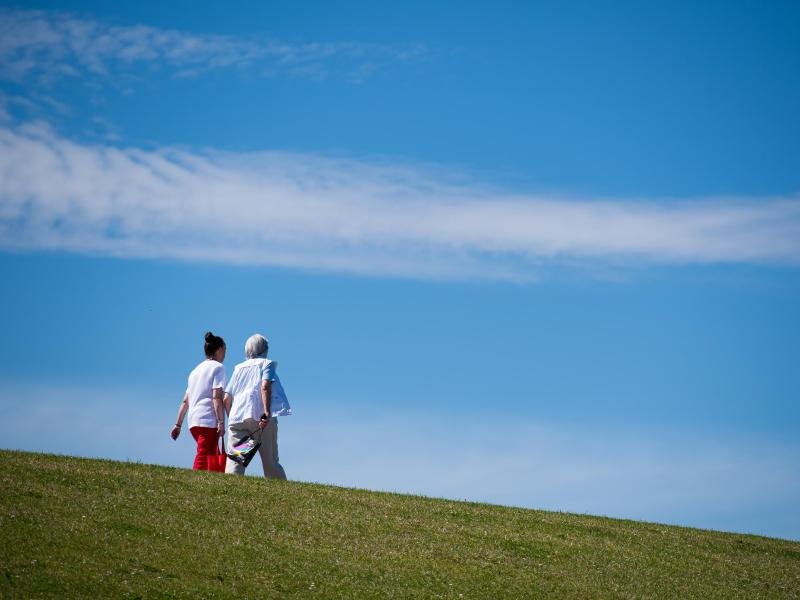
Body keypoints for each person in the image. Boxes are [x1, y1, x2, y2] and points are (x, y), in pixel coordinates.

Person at [224, 333, 290, 478]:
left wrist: (232, 417)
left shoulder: (238, 368)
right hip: (260, 420)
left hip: (237, 419)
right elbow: (265, 386)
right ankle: (280, 492)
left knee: (236, 461)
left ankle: (229, 491)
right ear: (265, 349)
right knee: (270, 462)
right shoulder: (267, 364)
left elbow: (226, 398)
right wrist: (266, 412)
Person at [170, 332, 227, 470]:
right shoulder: (218, 368)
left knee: (210, 453)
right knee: (203, 454)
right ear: (219, 350)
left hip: (193, 421)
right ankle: (195, 481)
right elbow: (216, 397)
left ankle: (211, 482)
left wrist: (178, 425)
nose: (225, 355)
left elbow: (185, 401)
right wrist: (221, 422)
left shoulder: (195, 371)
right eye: (225, 351)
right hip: (208, 420)